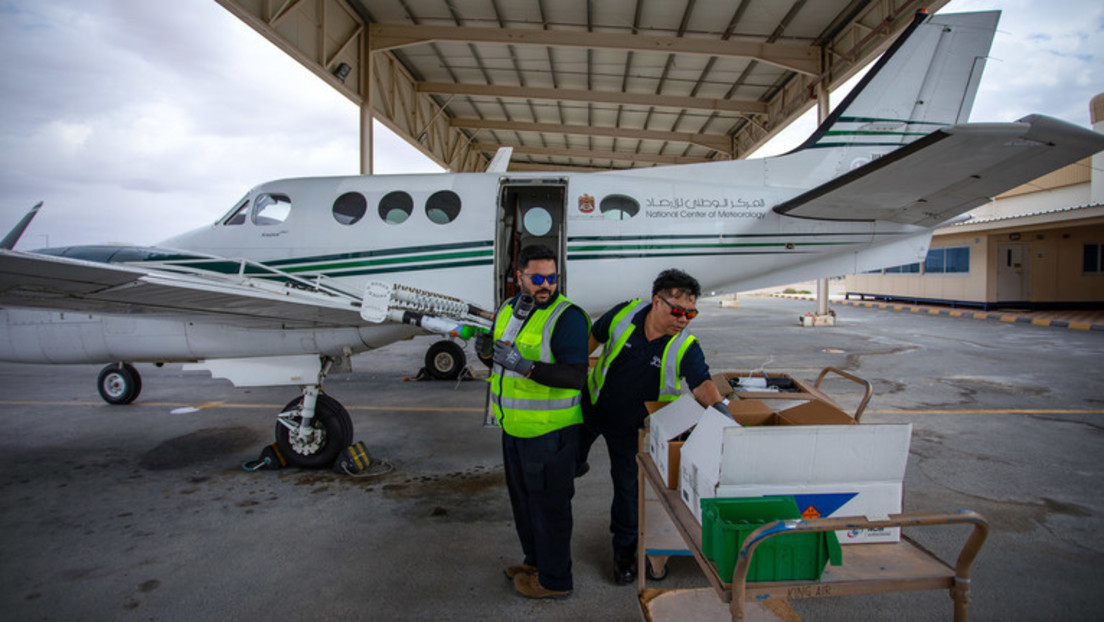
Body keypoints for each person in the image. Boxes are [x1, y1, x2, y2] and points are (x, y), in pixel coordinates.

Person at [581, 268, 727, 585]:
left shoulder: (685, 346)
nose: (683, 319)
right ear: (656, 301)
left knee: (627, 491)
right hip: (591, 408)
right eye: (677, 311)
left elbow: (702, 384)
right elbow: (591, 340)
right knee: (563, 464)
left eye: (691, 313)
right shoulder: (624, 314)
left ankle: (624, 553)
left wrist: (723, 414)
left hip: (632, 430)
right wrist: (569, 371)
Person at [481, 244, 590, 599]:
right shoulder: (508, 309)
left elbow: (575, 377)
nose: (546, 286)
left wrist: (525, 366)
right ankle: (535, 563)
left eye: (552, 278)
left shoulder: (567, 317)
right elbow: (500, 363)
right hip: (515, 429)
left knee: (549, 509)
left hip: (551, 435)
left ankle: (556, 581)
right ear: (519, 277)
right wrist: (486, 353)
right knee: (525, 505)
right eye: (538, 279)